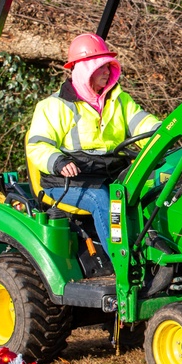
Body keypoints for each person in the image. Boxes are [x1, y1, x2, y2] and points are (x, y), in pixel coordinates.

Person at [26, 34, 160, 253]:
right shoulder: (53, 106)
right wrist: (59, 162)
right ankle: (123, 267)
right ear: (84, 69)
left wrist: (163, 133)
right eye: (100, 67)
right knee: (102, 200)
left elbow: (142, 123)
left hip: (109, 175)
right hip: (68, 181)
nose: (107, 72)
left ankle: (158, 254)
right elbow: (37, 146)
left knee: (156, 189)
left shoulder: (119, 100)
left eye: (108, 66)